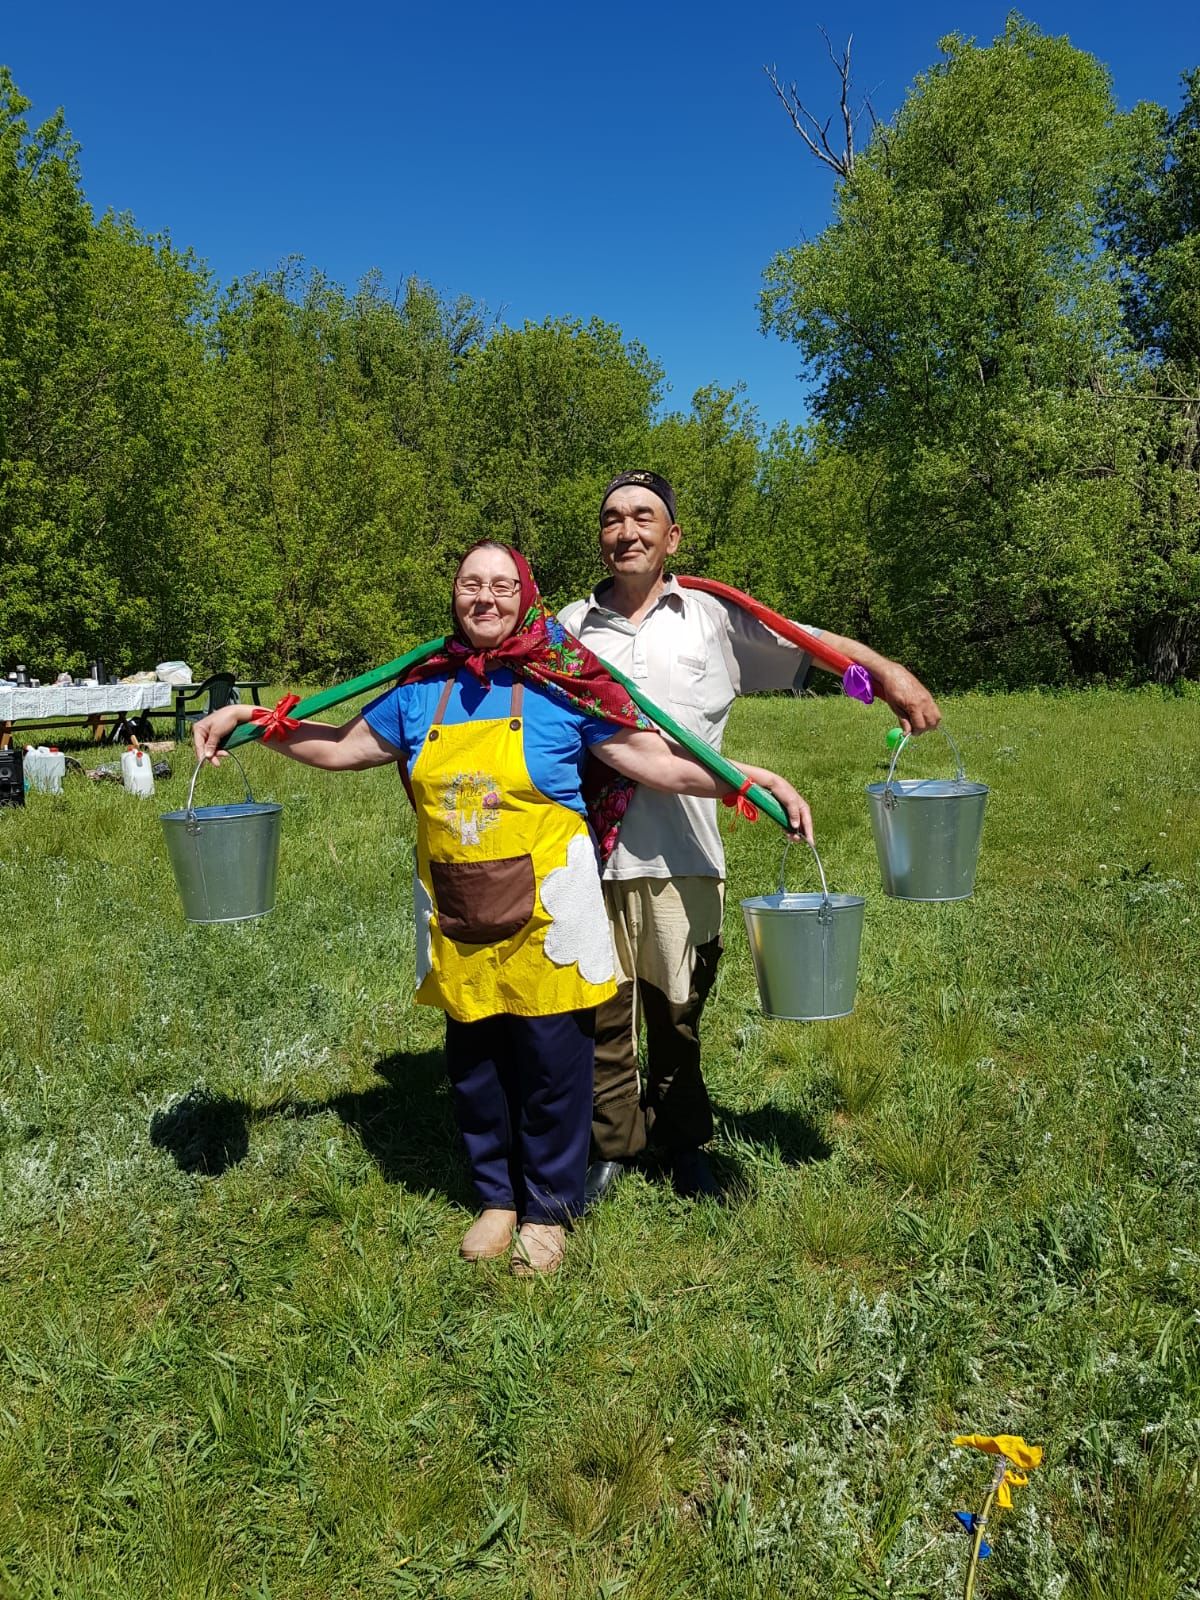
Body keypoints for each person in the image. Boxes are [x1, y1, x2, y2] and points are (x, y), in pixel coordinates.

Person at [193, 540, 811, 1275]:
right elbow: (336, 747)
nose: (484, 598)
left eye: (500, 585)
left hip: (552, 910)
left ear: (526, 596)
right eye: (469, 585)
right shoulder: (421, 689)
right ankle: (497, 1198)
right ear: (454, 597)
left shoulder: (561, 684)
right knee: (476, 1063)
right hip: (458, 909)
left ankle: (549, 1209)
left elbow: (657, 757)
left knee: (555, 1067)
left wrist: (747, 777)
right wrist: (250, 718)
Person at [558, 471, 942, 1205]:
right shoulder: (569, 625)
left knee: (677, 1006)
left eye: (644, 517)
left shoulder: (711, 616)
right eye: (611, 519)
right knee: (597, 1006)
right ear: (601, 538)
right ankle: (610, 1143)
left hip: (686, 844)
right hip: (582, 844)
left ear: (672, 538)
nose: (626, 530)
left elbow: (811, 642)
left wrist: (889, 672)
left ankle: (680, 1139)